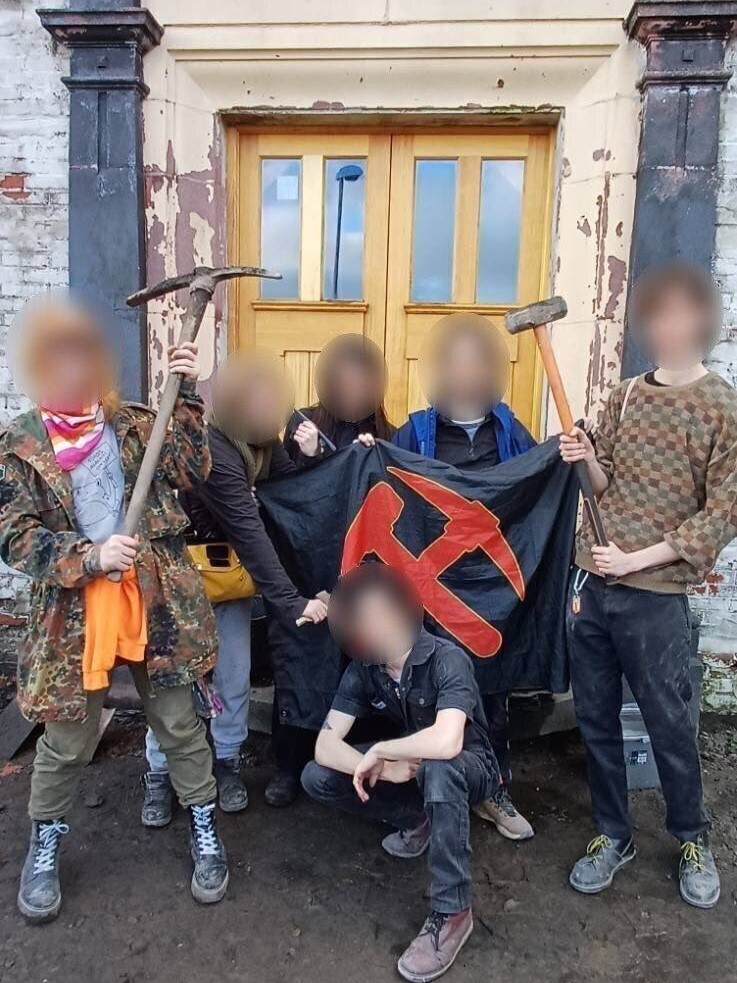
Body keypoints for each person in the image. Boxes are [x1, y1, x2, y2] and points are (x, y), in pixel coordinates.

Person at [1, 295, 229, 923]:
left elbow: (190, 468)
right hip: (74, 617)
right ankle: (45, 844)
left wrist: (185, 392)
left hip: (154, 602)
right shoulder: (19, 445)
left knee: (178, 723)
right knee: (68, 739)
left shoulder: (133, 425)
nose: (75, 373)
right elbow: (14, 535)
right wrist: (89, 556)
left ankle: (204, 827)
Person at [559, 263, 737, 909]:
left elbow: (722, 511)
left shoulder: (720, 406)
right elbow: (601, 486)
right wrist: (583, 461)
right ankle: (612, 834)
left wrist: (636, 559)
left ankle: (691, 835)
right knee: (595, 721)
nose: (666, 327)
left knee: (669, 724)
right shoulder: (625, 395)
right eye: (656, 316)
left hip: (655, 595)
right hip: (591, 585)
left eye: (678, 315)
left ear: (699, 322)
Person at [142, 352, 328, 820]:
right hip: (178, 577)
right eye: (257, 398)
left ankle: (226, 764)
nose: (266, 407)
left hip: (229, 579)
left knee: (233, 674)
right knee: (173, 678)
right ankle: (160, 774)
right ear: (235, 402)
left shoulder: (262, 440)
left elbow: (287, 493)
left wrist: (313, 458)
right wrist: (290, 601)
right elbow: (249, 527)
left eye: (273, 398)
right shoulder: (215, 446)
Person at [302, 563, 500, 983]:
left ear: (402, 610)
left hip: (472, 766)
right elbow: (325, 745)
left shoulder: (447, 658)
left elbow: (448, 742)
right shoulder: (366, 668)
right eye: (361, 618)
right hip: (413, 769)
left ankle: (453, 912)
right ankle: (420, 819)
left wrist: (381, 750)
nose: (370, 626)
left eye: (377, 614)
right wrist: (380, 769)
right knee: (317, 775)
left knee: (442, 770)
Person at [393, 312, 536, 841]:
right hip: (435, 589)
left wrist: (568, 457)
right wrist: (360, 457)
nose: (465, 376)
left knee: (491, 693)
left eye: (476, 365)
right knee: (430, 691)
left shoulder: (511, 431)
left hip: (494, 594)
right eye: (455, 365)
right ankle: (435, 800)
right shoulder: (416, 430)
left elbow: (537, 490)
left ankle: (494, 789)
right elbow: (388, 486)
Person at [283, 333, 394, 468]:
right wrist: (311, 455)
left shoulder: (389, 435)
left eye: (360, 385)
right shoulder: (304, 422)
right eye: (346, 383)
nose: (352, 392)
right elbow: (286, 482)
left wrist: (366, 464)